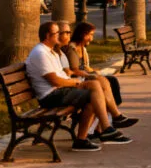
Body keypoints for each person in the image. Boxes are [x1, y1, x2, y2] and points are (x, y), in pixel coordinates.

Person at [25, 21, 132, 151]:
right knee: (93, 91)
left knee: (98, 83)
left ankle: (90, 135)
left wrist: (76, 82)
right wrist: (76, 83)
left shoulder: (50, 52)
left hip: (60, 90)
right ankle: (106, 128)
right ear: (48, 36)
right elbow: (56, 81)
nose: (59, 35)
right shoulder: (40, 53)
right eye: (56, 33)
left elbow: (62, 77)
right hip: (50, 96)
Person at [57, 21, 137, 135]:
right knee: (104, 83)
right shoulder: (71, 49)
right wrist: (91, 74)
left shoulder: (82, 48)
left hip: (80, 80)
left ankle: (106, 123)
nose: (91, 38)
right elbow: (74, 70)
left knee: (110, 81)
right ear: (83, 34)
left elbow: (84, 67)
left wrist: (93, 72)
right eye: (90, 34)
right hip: (77, 81)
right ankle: (112, 119)